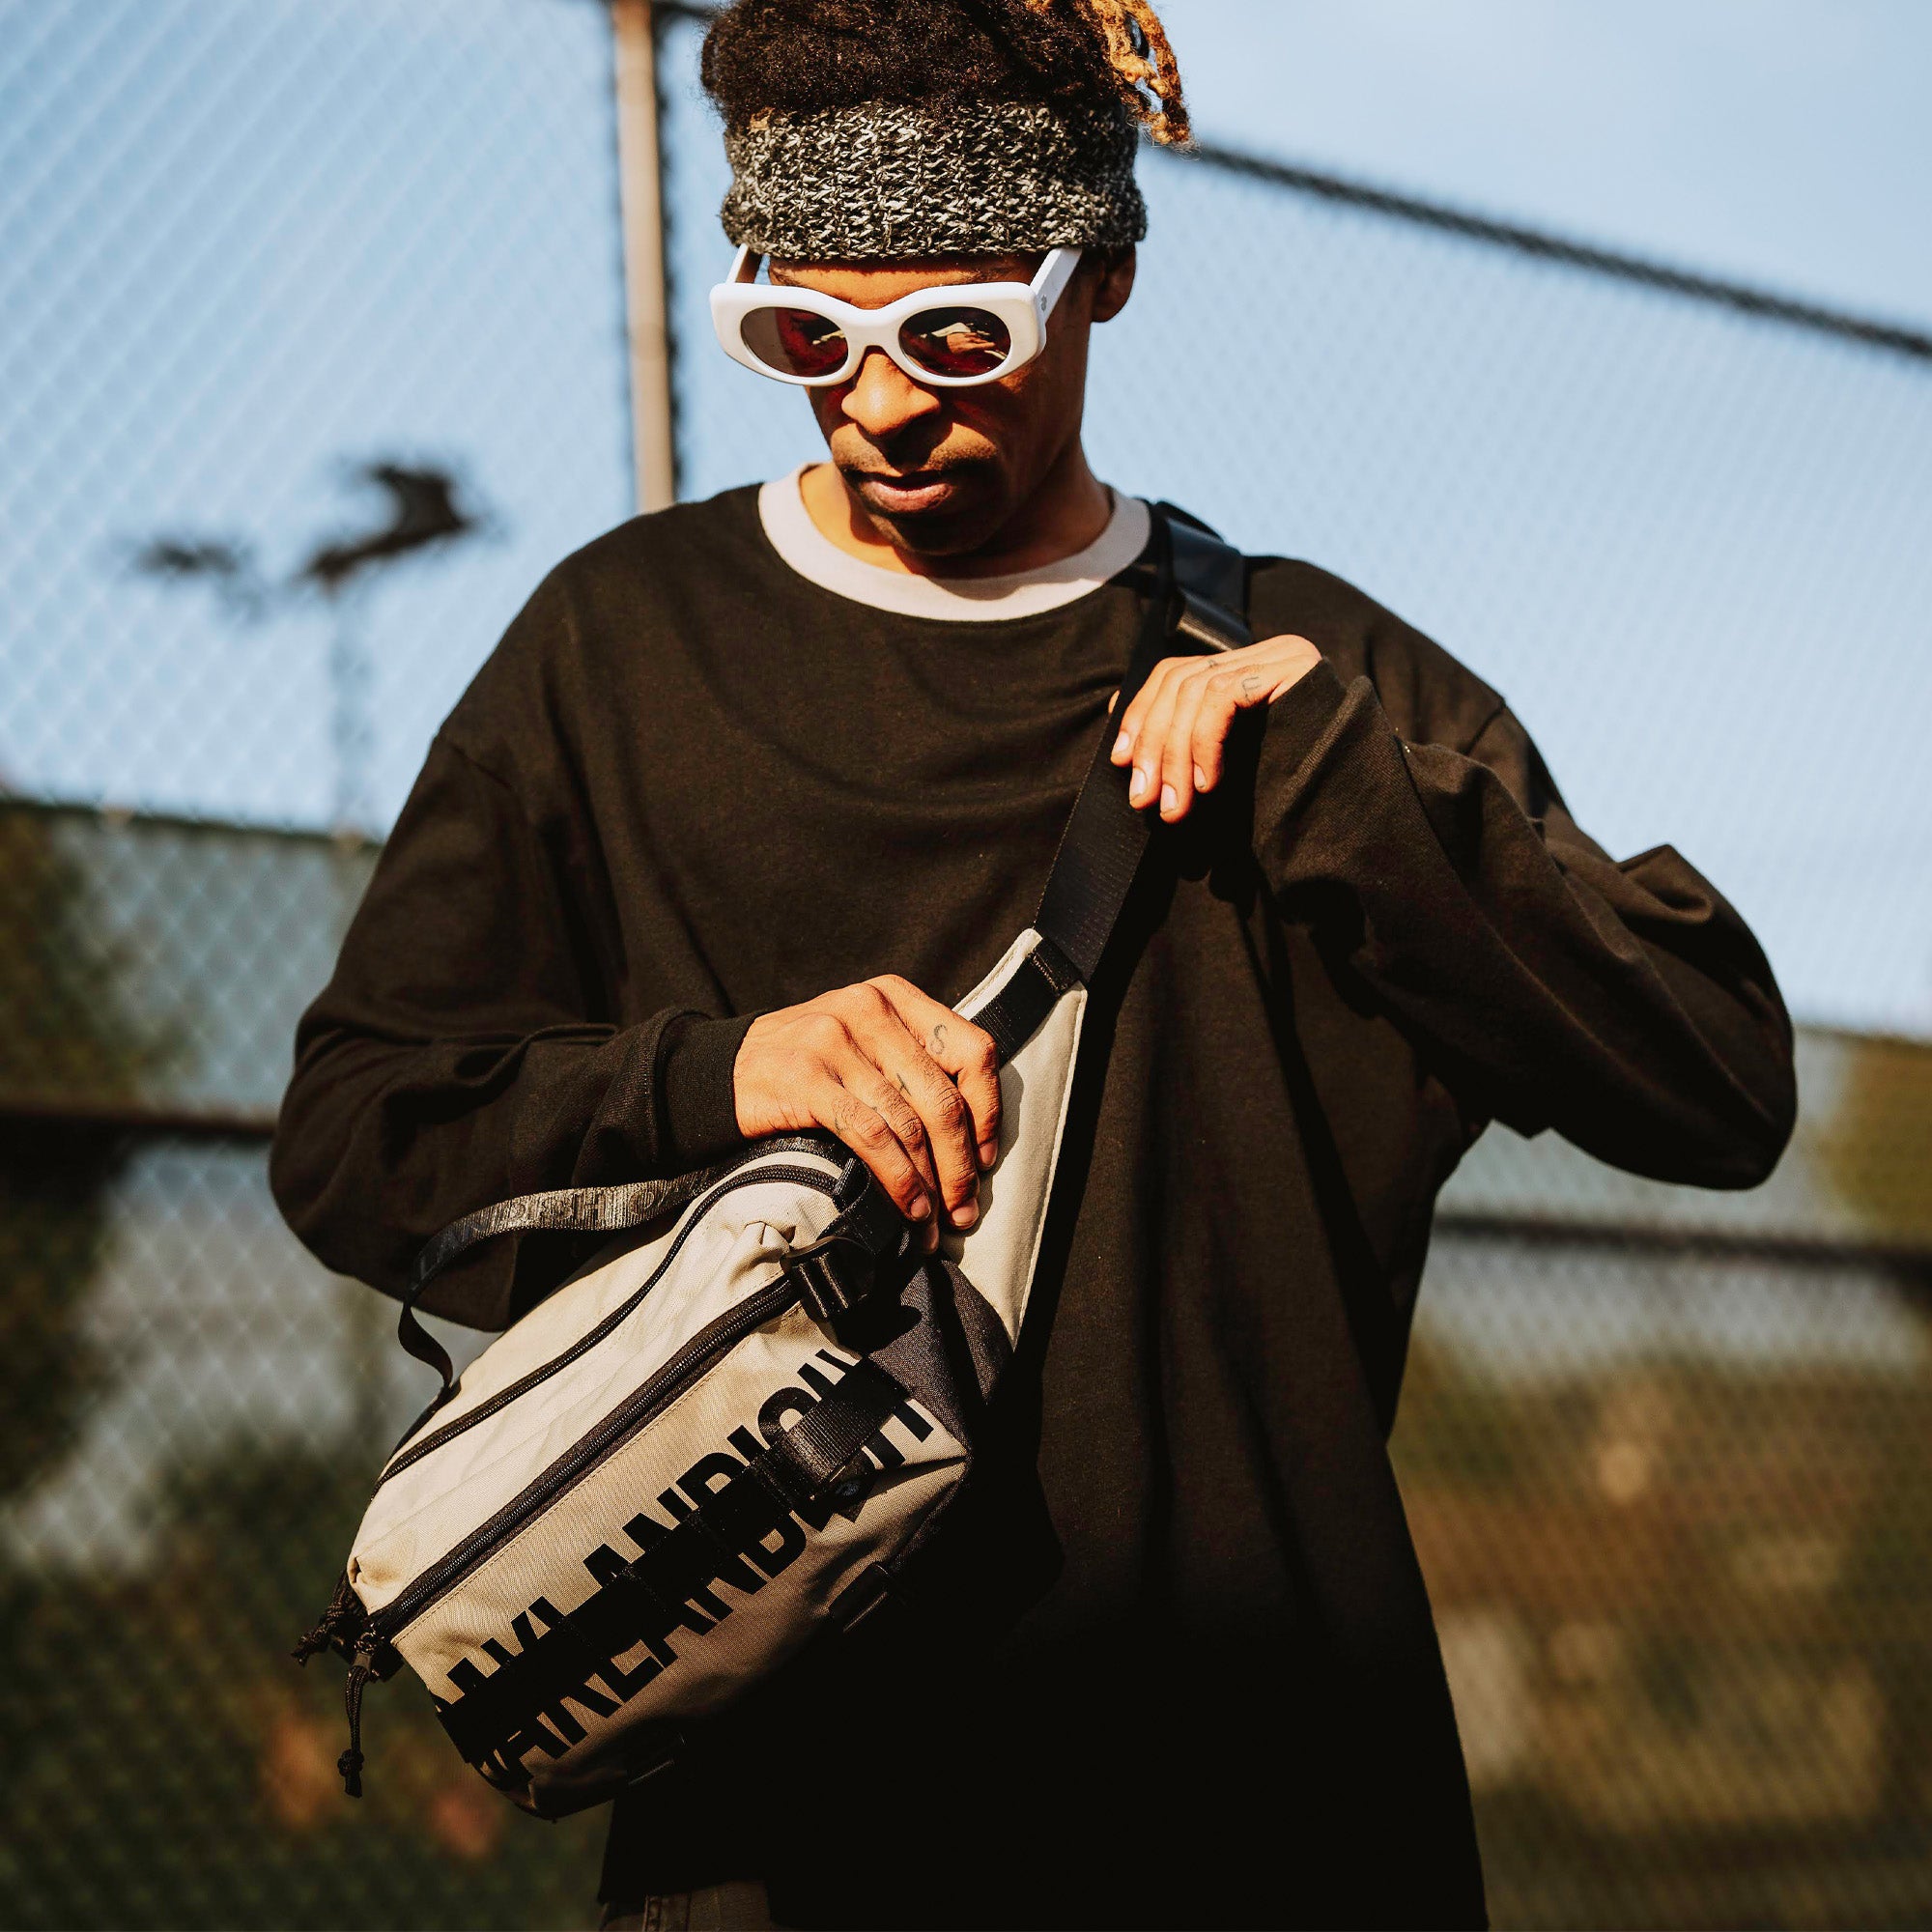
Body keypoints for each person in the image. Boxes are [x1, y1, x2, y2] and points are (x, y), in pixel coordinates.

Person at [270, 1, 1797, 1925]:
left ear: (1110, 278)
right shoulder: (619, 653)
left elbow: (1719, 1084)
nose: (884, 402)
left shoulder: (1313, 689)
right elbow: (358, 1138)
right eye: (806, 335)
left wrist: (1345, 795)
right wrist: (722, 1074)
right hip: (785, 1842)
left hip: (1273, 1815)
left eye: (957, 334)